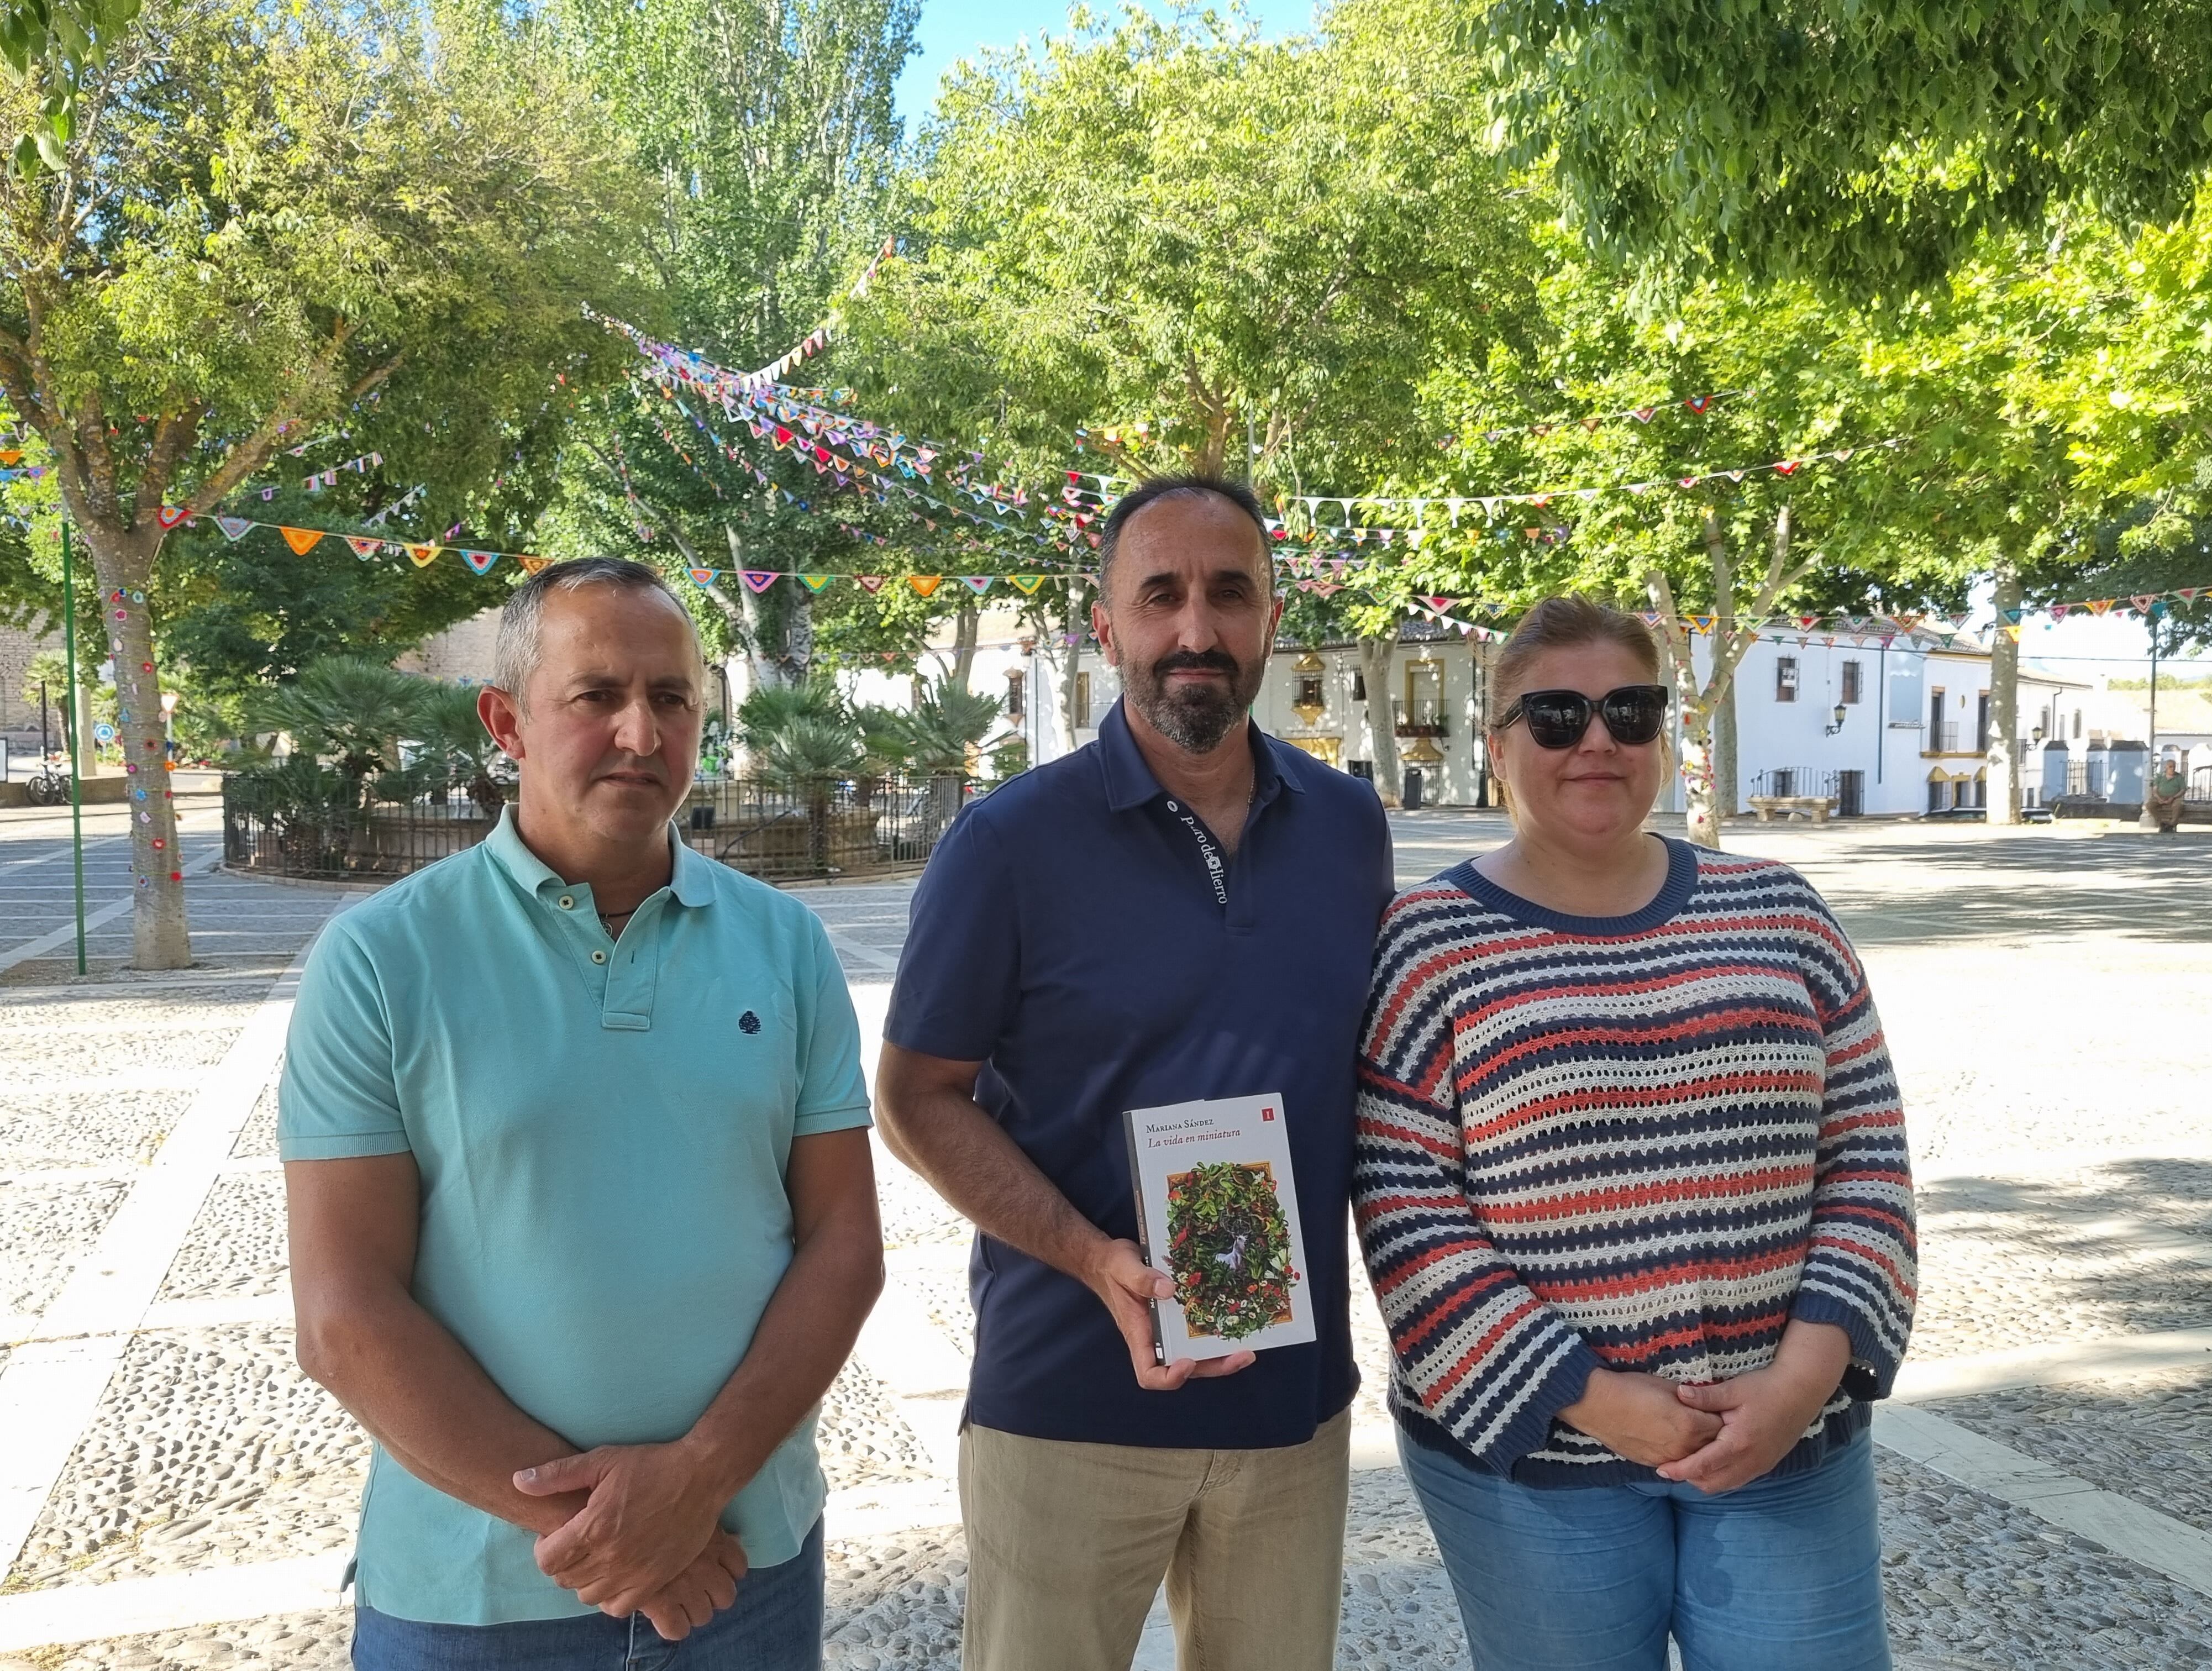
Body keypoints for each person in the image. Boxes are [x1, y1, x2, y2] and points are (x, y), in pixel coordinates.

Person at [281, 557, 882, 1668]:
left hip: (745, 1569)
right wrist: (615, 1534)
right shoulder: (381, 959)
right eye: (597, 696)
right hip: (474, 1597)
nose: (641, 735)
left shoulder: (786, 946)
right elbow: (345, 1315)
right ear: (506, 721)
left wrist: (698, 1482)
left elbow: (844, 1246)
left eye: (671, 699)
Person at [876, 476, 1394, 1671]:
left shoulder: (1347, 827)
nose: (1195, 632)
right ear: (1104, 627)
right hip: (1068, 1403)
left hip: (1287, 1408)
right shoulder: (1006, 845)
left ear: (1272, 620)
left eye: (1230, 595)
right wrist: (1092, 1257)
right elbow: (915, 1096)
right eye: (1160, 596)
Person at [1354, 596, 1919, 1671]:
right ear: (1503, 739)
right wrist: (1596, 1400)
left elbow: (1869, 1166)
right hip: (1536, 1469)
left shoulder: (1783, 917)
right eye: (1557, 716)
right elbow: (1404, 1210)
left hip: (1786, 1447)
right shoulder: (1426, 944)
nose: (1597, 740)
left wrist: (1804, 1375)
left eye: (1630, 709)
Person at [2148, 753, 2187, 834]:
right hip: (2161, 796)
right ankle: (2161, 823)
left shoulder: (2179, 777)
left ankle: (2171, 824)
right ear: (2166, 767)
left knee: (2178, 806)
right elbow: (2155, 790)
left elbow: (2183, 790)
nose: (2172, 769)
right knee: (2149, 805)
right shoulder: (2160, 777)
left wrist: (2173, 797)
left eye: (2173, 767)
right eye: (2170, 767)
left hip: (2174, 797)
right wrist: (2159, 798)